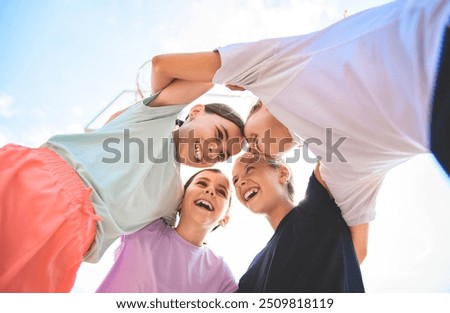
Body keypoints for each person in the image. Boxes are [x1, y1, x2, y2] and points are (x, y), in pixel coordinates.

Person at [147, 0, 450, 264]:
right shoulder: (338, 166)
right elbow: (355, 252)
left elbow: (165, 67)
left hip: (435, 31)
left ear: (259, 103)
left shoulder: (273, 69)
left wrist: (148, 117)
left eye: (245, 143)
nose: (250, 151)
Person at [0, 64, 245, 292]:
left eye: (222, 154)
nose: (215, 150)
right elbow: (165, 66)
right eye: (218, 135)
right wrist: (233, 69)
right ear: (195, 111)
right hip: (39, 182)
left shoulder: (174, 197)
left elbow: (173, 251)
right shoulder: (156, 118)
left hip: (71, 242)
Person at [232, 152, 364, 292]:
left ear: (283, 173)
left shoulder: (316, 208)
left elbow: (340, 147)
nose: (240, 182)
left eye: (250, 169)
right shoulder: (250, 276)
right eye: (235, 180)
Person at [97, 169, 237, 293]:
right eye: (202, 183)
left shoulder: (221, 274)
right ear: (181, 199)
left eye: (221, 192)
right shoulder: (145, 228)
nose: (210, 191)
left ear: (224, 219)